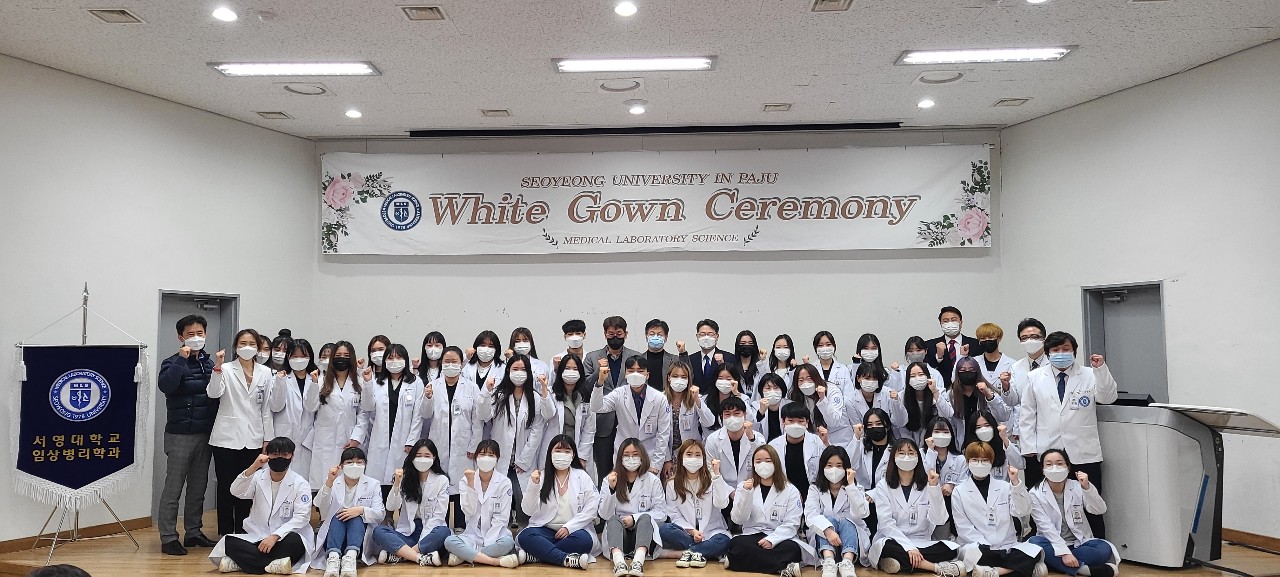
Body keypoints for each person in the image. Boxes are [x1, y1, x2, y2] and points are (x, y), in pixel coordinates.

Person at [1017, 331, 1117, 538]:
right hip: (1047, 451)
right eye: (1055, 350)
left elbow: (1107, 398)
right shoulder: (1034, 377)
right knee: (1044, 503)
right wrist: (1029, 448)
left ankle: (1096, 544)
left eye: (1066, 349)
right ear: (1048, 353)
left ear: (1074, 351)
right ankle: (1045, 544)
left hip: (1083, 451)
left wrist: (1101, 370)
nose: (1061, 353)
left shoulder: (1089, 374)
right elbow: (1027, 414)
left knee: (1089, 502)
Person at [157, 314, 218, 555]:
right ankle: (168, 537)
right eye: (190, 334)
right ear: (180, 337)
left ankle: (193, 532)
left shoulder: (209, 363)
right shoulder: (171, 362)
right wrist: (182, 360)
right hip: (179, 434)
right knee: (173, 488)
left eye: (199, 333)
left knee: (198, 487)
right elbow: (166, 386)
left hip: (205, 434)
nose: (196, 338)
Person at [208, 437, 314, 575]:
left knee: (295, 542)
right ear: (267, 455)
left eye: (285, 455)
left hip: (284, 538)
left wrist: (275, 536)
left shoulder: (300, 484)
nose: (280, 458)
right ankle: (273, 565)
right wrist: (254, 466)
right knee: (228, 541)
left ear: (292, 456)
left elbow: (302, 517)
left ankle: (242, 563)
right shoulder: (258, 476)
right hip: (258, 536)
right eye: (275, 454)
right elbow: (236, 491)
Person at [209, 329, 276, 535]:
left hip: (254, 437)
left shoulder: (265, 372)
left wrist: (268, 438)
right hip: (226, 438)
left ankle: (244, 530)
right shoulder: (226, 369)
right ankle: (226, 532)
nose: (247, 347)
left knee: (248, 486)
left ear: (258, 348)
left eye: (252, 344)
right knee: (226, 485)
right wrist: (217, 367)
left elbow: (266, 408)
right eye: (243, 343)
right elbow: (213, 393)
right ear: (236, 347)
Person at [866, 439, 963, 576]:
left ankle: (899, 563)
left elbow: (940, 519)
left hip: (921, 540)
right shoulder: (883, 485)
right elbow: (886, 524)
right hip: (894, 540)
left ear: (918, 458)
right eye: (901, 453)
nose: (906, 457)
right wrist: (909, 547)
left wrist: (934, 488)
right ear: (893, 458)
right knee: (885, 548)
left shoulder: (928, 484)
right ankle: (935, 567)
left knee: (950, 549)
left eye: (911, 453)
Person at [951, 442, 1043, 577]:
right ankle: (1022, 569)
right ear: (967, 462)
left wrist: (1016, 483)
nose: (980, 464)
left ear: (992, 462)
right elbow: (963, 527)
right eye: (975, 460)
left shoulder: (1005, 487)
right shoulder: (959, 491)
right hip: (979, 546)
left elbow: (1023, 510)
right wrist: (985, 545)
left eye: (984, 460)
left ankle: (995, 572)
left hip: (1007, 545)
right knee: (976, 555)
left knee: (1035, 551)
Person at [418, 345, 484, 531]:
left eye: (454, 361)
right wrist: (427, 398)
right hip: (439, 445)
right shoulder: (433, 386)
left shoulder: (471, 387)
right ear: (441, 363)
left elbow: (477, 420)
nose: (450, 365)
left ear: (461, 363)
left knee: (462, 486)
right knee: (441, 486)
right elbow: (425, 414)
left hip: (464, 447)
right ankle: (442, 526)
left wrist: (474, 446)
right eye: (446, 361)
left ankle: (461, 526)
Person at [1027, 450, 1119, 577]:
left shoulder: (1077, 486)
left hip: (1079, 544)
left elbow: (1099, 510)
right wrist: (1064, 553)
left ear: (1068, 467)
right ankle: (1085, 570)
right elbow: (1045, 527)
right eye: (1049, 464)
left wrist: (1087, 488)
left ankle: (1056, 564)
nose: (1055, 468)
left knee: (1103, 549)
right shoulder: (1035, 494)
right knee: (1035, 542)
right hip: (1051, 543)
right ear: (1043, 470)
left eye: (1059, 463)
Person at [517, 435, 601, 570]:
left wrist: (569, 527)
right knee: (525, 536)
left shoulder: (582, 477)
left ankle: (537, 555)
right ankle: (565, 559)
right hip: (545, 529)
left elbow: (592, 508)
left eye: (567, 451)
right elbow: (528, 510)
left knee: (584, 541)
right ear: (550, 453)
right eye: (558, 451)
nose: (562, 455)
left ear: (573, 455)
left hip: (573, 531)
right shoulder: (541, 476)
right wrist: (533, 485)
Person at [479, 353, 545, 523]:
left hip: (523, 459)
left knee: (523, 499)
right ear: (508, 370)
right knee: (500, 501)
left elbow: (537, 430)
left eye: (523, 369)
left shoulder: (535, 398)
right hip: (501, 457)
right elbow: (484, 415)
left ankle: (523, 531)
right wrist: (486, 392)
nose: (519, 373)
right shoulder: (499, 395)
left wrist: (525, 459)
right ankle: (502, 530)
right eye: (515, 369)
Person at [726, 445, 809, 577]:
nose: (763, 465)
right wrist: (746, 494)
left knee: (792, 549)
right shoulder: (744, 486)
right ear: (753, 465)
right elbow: (738, 520)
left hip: (779, 537)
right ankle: (782, 567)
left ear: (776, 463)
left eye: (768, 460)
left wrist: (772, 540)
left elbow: (792, 524)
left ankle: (738, 561)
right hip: (752, 536)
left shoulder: (791, 490)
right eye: (758, 461)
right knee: (736, 544)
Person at [356, 343, 422, 501]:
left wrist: (412, 440)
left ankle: (397, 512)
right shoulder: (377, 382)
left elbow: (418, 415)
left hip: (404, 440)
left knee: (401, 482)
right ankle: (381, 512)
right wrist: (367, 383)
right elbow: (367, 406)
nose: (394, 361)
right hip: (380, 437)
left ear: (405, 360)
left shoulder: (415, 382)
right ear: (385, 361)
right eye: (390, 358)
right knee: (378, 483)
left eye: (398, 357)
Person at [443, 440, 524, 568]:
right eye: (482, 454)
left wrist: (489, 541)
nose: (486, 458)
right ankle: (494, 561)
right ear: (476, 457)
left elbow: (502, 519)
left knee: (508, 542)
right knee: (449, 541)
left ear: (497, 459)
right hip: (472, 535)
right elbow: (468, 511)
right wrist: (471, 484)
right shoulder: (465, 481)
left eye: (491, 455)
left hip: (496, 535)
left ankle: (465, 556)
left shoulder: (504, 483)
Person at [370, 440, 450, 566]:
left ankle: (402, 555)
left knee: (444, 532)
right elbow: (391, 506)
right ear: (412, 458)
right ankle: (421, 557)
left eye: (427, 456)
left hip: (431, 531)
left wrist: (422, 541)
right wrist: (397, 483)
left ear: (434, 458)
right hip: (409, 532)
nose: (422, 459)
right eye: (418, 456)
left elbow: (439, 516)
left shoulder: (442, 480)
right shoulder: (405, 478)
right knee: (379, 531)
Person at [591, 356, 673, 474]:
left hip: (649, 454)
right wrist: (600, 382)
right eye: (631, 371)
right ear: (625, 374)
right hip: (624, 453)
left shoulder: (659, 398)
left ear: (647, 375)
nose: (635, 374)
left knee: (649, 485)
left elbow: (663, 434)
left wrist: (656, 464)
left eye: (640, 371)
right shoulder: (619, 394)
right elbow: (596, 407)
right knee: (623, 485)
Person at [311, 448, 386, 577]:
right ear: (341, 466)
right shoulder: (333, 482)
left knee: (356, 517)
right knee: (338, 516)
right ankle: (333, 558)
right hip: (335, 537)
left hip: (360, 540)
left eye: (359, 462)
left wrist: (360, 510)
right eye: (349, 462)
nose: (354, 466)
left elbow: (380, 514)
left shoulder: (373, 484)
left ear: (365, 464)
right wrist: (329, 482)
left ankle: (350, 558)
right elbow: (320, 507)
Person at [660, 439, 733, 568]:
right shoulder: (672, 484)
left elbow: (722, 503)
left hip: (712, 531)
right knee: (665, 529)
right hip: (688, 533)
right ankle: (704, 551)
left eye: (698, 455)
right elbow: (674, 515)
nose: (693, 458)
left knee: (724, 541)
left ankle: (687, 553)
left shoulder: (712, 480)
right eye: (689, 454)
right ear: (681, 458)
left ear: (703, 459)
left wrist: (717, 475)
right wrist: (693, 532)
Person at [600, 438, 667, 577]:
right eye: (626, 455)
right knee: (613, 519)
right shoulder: (610, 479)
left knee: (645, 518)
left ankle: (638, 562)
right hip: (619, 537)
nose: (631, 458)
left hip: (643, 536)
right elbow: (604, 514)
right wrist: (612, 489)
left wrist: (634, 518)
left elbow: (661, 513)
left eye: (635, 454)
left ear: (642, 456)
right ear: (620, 458)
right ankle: (619, 563)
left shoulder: (652, 480)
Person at [585, 316, 642, 480]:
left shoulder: (636, 357)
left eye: (619, 334)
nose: (615, 337)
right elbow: (586, 387)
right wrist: (599, 371)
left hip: (629, 420)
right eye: (611, 334)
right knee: (604, 471)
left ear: (626, 334)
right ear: (605, 334)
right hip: (603, 423)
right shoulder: (592, 357)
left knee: (630, 468)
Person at [304, 341, 363, 489]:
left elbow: (363, 414)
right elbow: (310, 407)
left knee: (347, 485)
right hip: (325, 441)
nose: (342, 358)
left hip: (349, 440)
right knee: (323, 485)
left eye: (346, 355)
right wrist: (313, 384)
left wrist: (356, 438)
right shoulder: (320, 381)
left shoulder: (359, 382)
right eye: (338, 355)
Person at [804, 445, 870, 577]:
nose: (834, 469)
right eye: (829, 465)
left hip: (850, 540)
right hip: (825, 542)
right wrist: (828, 531)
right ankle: (829, 563)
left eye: (839, 466)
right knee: (828, 521)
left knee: (847, 522)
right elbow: (811, 514)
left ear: (847, 468)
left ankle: (847, 563)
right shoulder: (815, 489)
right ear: (823, 467)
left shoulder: (856, 487)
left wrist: (851, 486)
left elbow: (863, 513)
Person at [537, 354, 596, 478]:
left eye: (575, 369)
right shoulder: (551, 393)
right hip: (555, 446)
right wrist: (544, 390)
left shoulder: (586, 396)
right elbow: (547, 414)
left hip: (577, 446)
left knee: (578, 483)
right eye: (567, 368)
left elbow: (589, 429)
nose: (571, 372)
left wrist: (582, 456)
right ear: (560, 371)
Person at [269, 340, 317, 488]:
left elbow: (311, 407)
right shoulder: (279, 377)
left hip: (306, 439)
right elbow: (275, 406)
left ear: (310, 357)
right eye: (294, 356)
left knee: (301, 484)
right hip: (283, 434)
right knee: (279, 481)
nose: (299, 360)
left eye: (303, 356)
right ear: (288, 357)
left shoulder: (316, 379)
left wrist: (315, 384)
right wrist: (280, 382)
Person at [664, 361, 715, 480]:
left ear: (688, 380)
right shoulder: (661, 399)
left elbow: (709, 422)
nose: (679, 380)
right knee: (671, 486)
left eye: (683, 377)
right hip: (669, 454)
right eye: (675, 376)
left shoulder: (695, 399)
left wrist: (697, 400)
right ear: (669, 378)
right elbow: (660, 433)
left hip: (691, 453)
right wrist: (667, 459)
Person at [948, 357, 1012, 447]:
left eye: (971, 370)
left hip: (987, 443)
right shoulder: (951, 395)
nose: (967, 373)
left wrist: (989, 395)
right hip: (962, 445)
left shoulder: (987, 391)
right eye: (963, 370)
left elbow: (1004, 416)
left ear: (977, 372)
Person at [704, 396, 764, 493]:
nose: (732, 418)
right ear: (721, 417)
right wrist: (730, 492)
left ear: (745, 415)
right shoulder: (713, 440)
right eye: (727, 414)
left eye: (736, 414)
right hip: (723, 491)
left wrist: (751, 439)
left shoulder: (757, 437)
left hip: (751, 489)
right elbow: (710, 470)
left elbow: (763, 462)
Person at [768, 403, 825, 500]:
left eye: (800, 421)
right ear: (783, 421)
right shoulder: (773, 446)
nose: (795, 425)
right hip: (784, 496)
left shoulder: (817, 442)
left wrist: (826, 443)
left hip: (812, 495)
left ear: (807, 422)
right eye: (791, 421)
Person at [789, 363, 853, 445]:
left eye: (809, 379)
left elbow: (834, 421)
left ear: (816, 378)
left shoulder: (832, 390)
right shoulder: (797, 396)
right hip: (817, 440)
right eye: (801, 380)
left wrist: (823, 399)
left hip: (839, 439)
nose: (806, 383)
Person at [1007, 319, 1048, 441]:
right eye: (1024, 338)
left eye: (1034, 337)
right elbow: (1014, 401)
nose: (1029, 341)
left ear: (1044, 338)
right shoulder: (1016, 367)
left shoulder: (1054, 364)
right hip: (1026, 426)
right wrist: (1006, 386)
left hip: (1051, 424)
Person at [844, 362, 907, 437]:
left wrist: (896, 402)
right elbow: (858, 428)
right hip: (865, 439)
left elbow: (900, 422)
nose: (871, 381)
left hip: (889, 436)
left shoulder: (887, 393)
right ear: (858, 378)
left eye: (874, 379)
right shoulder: (850, 400)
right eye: (867, 378)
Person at [897, 362, 952, 446]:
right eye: (913, 376)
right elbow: (900, 425)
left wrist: (934, 391)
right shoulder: (901, 396)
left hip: (934, 439)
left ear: (928, 376)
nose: (917, 378)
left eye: (921, 374)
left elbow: (947, 415)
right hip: (909, 440)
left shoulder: (938, 391)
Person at [924, 307, 980, 389]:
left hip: (969, 390)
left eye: (953, 320)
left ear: (961, 323)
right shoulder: (930, 345)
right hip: (941, 390)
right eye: (945, 321)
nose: (950, 323)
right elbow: (927, 370)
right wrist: (938, 357)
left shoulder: (975, 344)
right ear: (940, 324)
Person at [970, 324, 1018, 412]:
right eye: (983, 338)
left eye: (991, 337)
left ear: (999, 338)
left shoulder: (1012, 364)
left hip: (1005, 413)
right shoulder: (973, 362)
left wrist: (1006, 386)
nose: (987, 341)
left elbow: (1015, 398)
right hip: (980, 413)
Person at [684, 319, 735, 392]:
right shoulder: (691, 359)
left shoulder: (729, 358)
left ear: (717, 336)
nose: (706, 337)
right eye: (702, 334)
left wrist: (722, 365)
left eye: (710, 334)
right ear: (697, 336)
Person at [705, 363, 751, 430]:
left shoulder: (743, 398)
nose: (724, 382)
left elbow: (750, 419)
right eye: (720, 378)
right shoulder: (705, 399)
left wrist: (737, 394)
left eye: (728, 379)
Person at [641, 319, 681, 391]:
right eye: (652, 334)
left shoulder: (674, 360)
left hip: (667, 396)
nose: (655, 337)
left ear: (666, 338)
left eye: (659, 335)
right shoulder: (639, 359)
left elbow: (687, 376)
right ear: (646, 337)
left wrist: (683, 353)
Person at [753, 373, 789, 442]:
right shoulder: (755, 406)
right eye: (768, 388)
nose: (772, 391)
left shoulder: (790, 405)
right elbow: (753, 430)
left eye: (776, 388)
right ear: (761, 391)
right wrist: (761, 412)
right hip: (764, 445)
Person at [733, 331, 763, 402]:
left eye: (750, 343)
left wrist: (762, 361)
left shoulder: (760, 365)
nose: (747, 346)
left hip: (757, 404)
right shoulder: (732, 365)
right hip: (737, 404)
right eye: (743, 343)